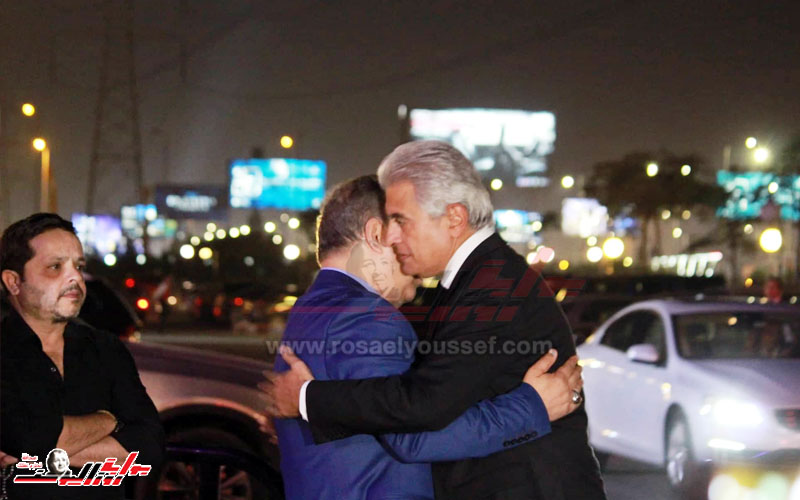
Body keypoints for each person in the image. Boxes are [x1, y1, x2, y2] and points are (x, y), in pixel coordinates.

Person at [265, 141, 606, 499]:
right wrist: (532, 407)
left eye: (403, 222)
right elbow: (410, 433)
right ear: (376, 235)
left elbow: (393, 414)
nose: (398, 240)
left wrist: (307, 401)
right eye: (394, 224)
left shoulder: (311, 309)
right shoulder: (369, 318)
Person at [0, 213, 165, 499]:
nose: (75, 277)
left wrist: (39, 454)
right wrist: (110, 421)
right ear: (14, 282)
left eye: (79, 266)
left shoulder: (105, 349)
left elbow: (150, 449)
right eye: (55, 267)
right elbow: (28, 438)